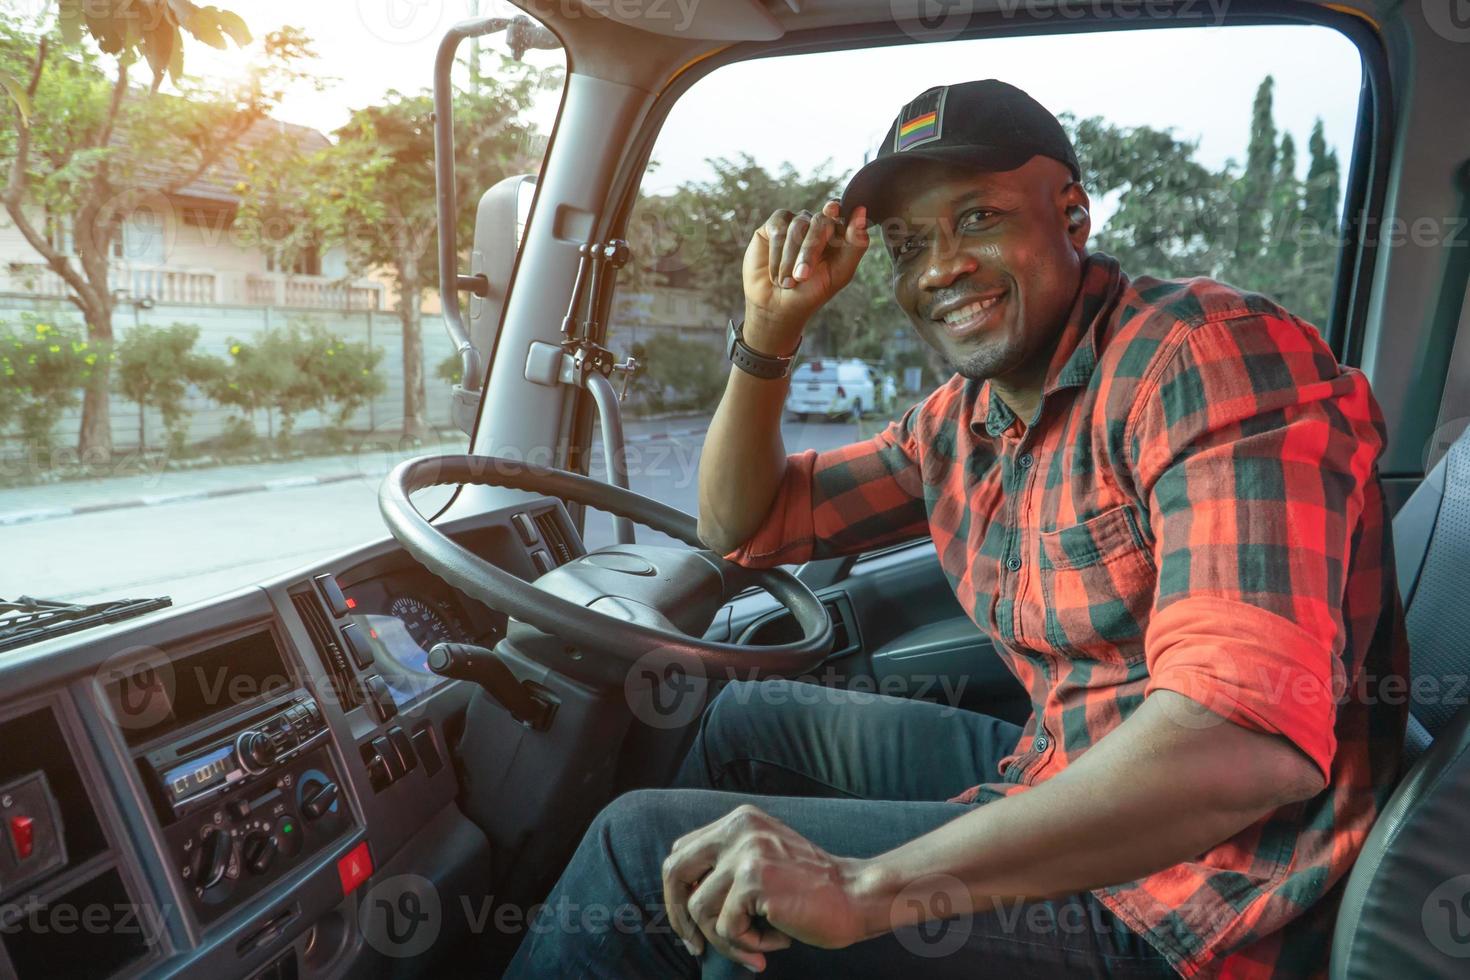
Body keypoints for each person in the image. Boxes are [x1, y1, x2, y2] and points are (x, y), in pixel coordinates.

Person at [506, 79, 1407, 979]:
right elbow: (743, 525)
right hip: (1055, 768)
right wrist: (769, 332)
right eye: (907, 245)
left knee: (638, 850)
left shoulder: (1205, 358)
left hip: (1195, 901)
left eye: (978, 218)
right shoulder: (964, 422)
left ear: (1074, 217)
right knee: (741, 721)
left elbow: (1240, 748)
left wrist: (864, 888)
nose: (940, 267)